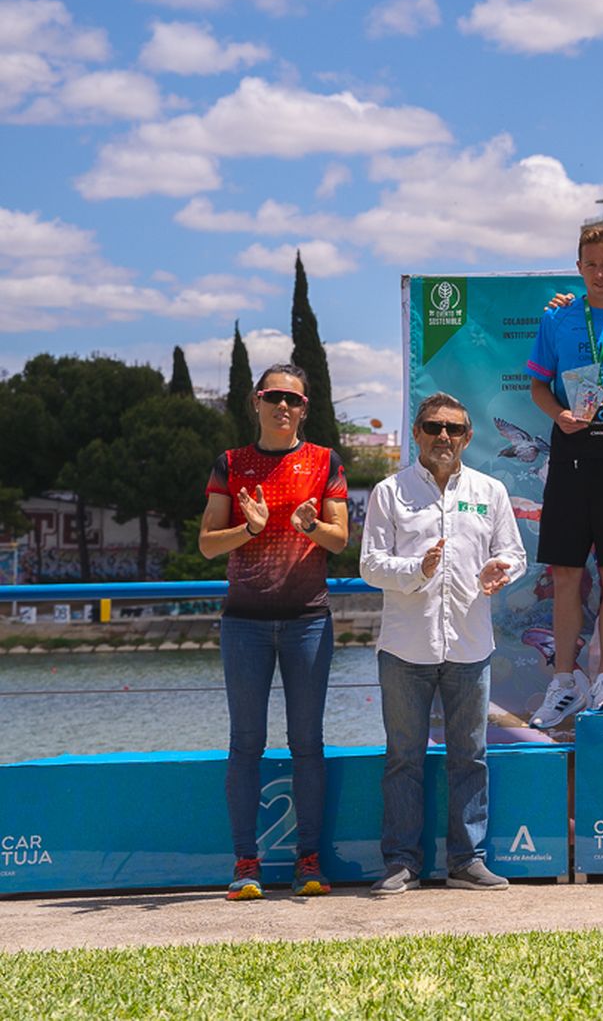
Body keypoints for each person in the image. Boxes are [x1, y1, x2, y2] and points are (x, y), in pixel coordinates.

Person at [360, 393, 528, 895]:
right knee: (403, 759)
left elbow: (513, 554)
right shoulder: (389, 492)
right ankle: (401, 864)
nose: (443, 437)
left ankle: (467, 861)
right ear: (416, 433)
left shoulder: (490, 490)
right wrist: (418, 569)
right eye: (433, 427)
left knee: (470, 757)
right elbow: (369, 565)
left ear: (468, 437)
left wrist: (504, 570)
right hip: (404, 648)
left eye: (453, 429)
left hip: (470, 646)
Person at [198, 363, 349, 901]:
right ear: (256, 403)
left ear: (305, 408)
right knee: (246, 745)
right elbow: (207, 544)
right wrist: (252, 528)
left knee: (308, 745)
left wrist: (310, 525)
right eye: (273, 397)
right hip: (244, 625)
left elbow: (338, 541)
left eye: (293, 399)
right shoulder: (231, 464)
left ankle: (309, 861)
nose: (283, 406)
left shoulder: (325, 462)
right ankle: (246, 863)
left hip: (308, 620)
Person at [525, 225, 603, 727]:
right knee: (566, 575)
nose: (601, 273)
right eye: (592, 264)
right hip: (571, 459)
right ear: (579, 268)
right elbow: (538, 385)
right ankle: (563, 683)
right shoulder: (558, 318)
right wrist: (559, 414)